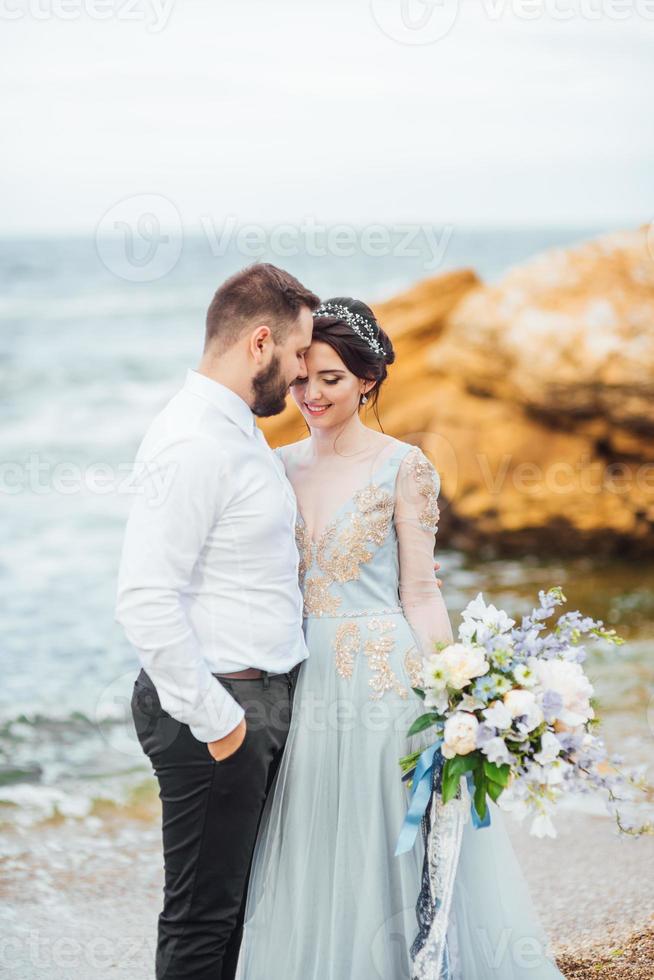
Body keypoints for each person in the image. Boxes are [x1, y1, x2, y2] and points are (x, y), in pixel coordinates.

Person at [241, 298, 566, 979]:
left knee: (386, 837)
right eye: (301, 378)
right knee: (311, 840)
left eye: (330, 378)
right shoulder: (276, 465)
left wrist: (456, 693)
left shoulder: (405, 466)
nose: (311, 394)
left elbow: (420, 591)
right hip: (304, 678)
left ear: (367, 379)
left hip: (387, 678)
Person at [115, 263, 320, 980]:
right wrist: (223, 725)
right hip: (217, 707)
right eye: (298, 356)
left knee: (231, 913)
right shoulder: (194, 440)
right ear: (259, 343)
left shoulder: (235, 430)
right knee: (202, 921)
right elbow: (144, 596)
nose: (302, 377)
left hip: (250, 698)